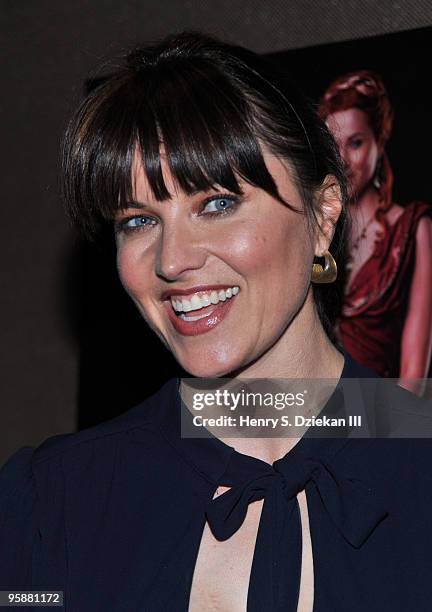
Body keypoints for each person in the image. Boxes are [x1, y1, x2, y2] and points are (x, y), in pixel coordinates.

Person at [1, 32, 432, 612]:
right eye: (137, 220)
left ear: (325, 213)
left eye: (217, 203)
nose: (172, 259)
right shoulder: (55, 500)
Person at [318, 71, 432, 395]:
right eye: (332, 144)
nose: (342, 160)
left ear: (378, 141)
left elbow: (414, 376)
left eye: (355, 143)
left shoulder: (412, 228)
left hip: (382, 421)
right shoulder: (313, 228)